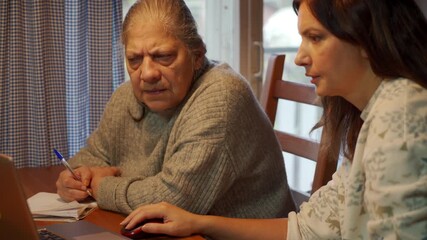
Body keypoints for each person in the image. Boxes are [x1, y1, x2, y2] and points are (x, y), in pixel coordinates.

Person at [120, 0, 427, 239]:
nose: (300, 57)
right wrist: (199, 223)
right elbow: (305, 231)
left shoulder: (400, 113)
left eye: (316, 38)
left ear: (365, 38)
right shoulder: (372, 115)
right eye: (135, 59)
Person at [55, 0, 296, 218]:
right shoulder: (126, 95)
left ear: (197, 55)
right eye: (134, 59)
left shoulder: (222, 97)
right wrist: (74, 178)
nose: (147, 74)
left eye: (164, 56)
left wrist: (100, 186)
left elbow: (174, 200)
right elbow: (92, 157)